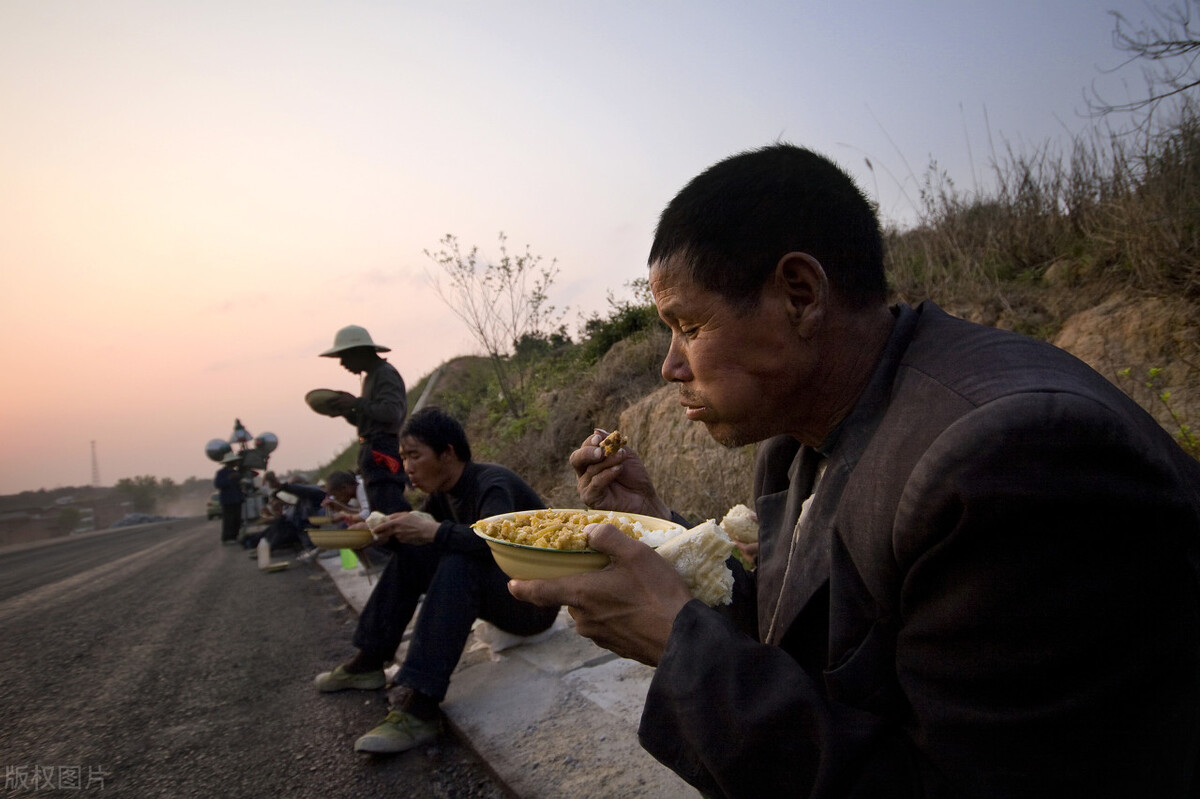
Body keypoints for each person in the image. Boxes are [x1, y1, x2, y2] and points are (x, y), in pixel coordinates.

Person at [508, 144, 1200, 798]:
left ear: (801, 295)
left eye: (688, 326)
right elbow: (816, 636)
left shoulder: (1006, 456)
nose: (669, 366)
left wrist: (681, 647)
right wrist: (663, 540)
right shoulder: (806, 435)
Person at [314, 407, 560, 755]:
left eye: (415, 456)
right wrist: (384, 534)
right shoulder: (443, 495)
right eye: (403, 458)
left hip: (535, 604)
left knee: (461, 560)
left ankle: (421, 705)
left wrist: (433, 530)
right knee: (416, 552)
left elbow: (496, 544)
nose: (407, 468)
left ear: (447, 452)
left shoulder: (493, 484)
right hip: (503, 594)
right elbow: (429, 542)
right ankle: (369, 660)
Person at [319, 325, 412, 514]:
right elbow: (370, 420)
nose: (342, 364)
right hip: (373, 448)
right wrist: (347, 411)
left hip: (383, 449)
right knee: (378, 506)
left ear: (359, 352)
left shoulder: (385, 374)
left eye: (344, 357)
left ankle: (404, 540)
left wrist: (357, 403)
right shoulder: (372, 376)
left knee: (388, 504)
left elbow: (391, 413)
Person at [213, 453, 245, 544]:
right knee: (228, 520)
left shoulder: (236, 473)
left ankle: (234, 536)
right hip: (227, 501)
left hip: (237, 500)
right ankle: (227, 538)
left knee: (237, 519)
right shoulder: (221, 473)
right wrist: (228, 479)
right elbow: (218, 484)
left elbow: (239, 486)